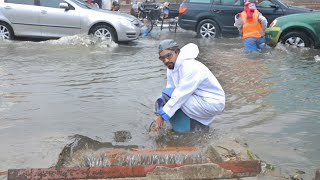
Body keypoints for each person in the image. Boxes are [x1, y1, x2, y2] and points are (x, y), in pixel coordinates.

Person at [154, 39, 225, 133]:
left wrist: (162, 116)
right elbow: (169, 88)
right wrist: (160, 111)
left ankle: (191, 128)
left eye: (169, 55)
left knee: (172, 98)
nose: (166, 60)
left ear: (177, 52)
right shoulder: (171, 67)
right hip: (198, 98)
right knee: (163, 97)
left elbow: (180, 95)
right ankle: (195, 126)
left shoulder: (190, 67)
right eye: (162, 58)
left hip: (211, 102)